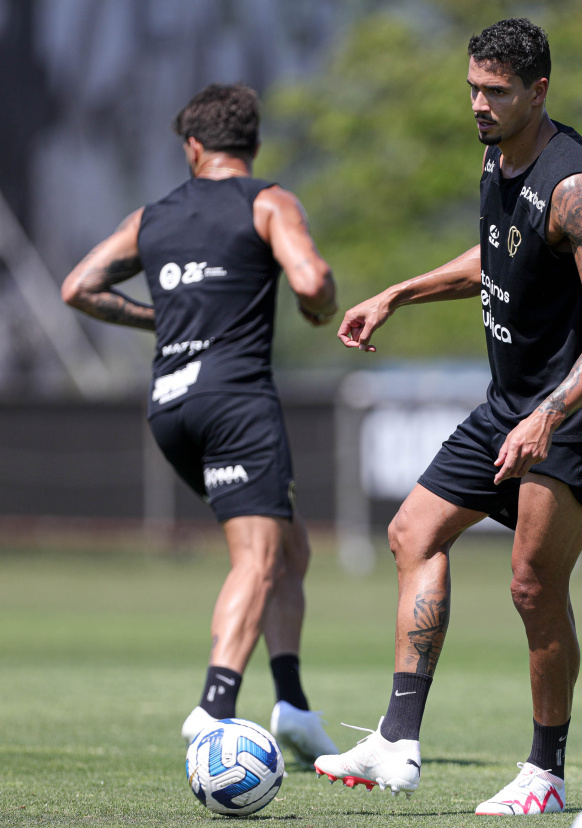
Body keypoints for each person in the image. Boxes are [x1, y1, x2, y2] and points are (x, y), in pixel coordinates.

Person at [312, 18, 582, 815]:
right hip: (510, 402)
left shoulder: (578, 189)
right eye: (472, 88)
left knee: (531, 584)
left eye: (495, 92)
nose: (478, 104)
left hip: (581, 413)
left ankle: (545, 774)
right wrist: (398, 291)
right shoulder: (496, 153)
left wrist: (551, 415)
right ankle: (395, 742)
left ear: (539, 91)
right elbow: (497, 252)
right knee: (411, 533)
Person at [61, 83, 340, 765]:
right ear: (253, 144)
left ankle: (294, 706)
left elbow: (79, 287)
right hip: (235, 400)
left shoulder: (150, 217)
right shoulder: (268, 200)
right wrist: (321, 305)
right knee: (259, 555)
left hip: (171, 406)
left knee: (288, 545)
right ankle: (214, 708)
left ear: (192, 146)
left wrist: (156, 317)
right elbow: (310, 281)